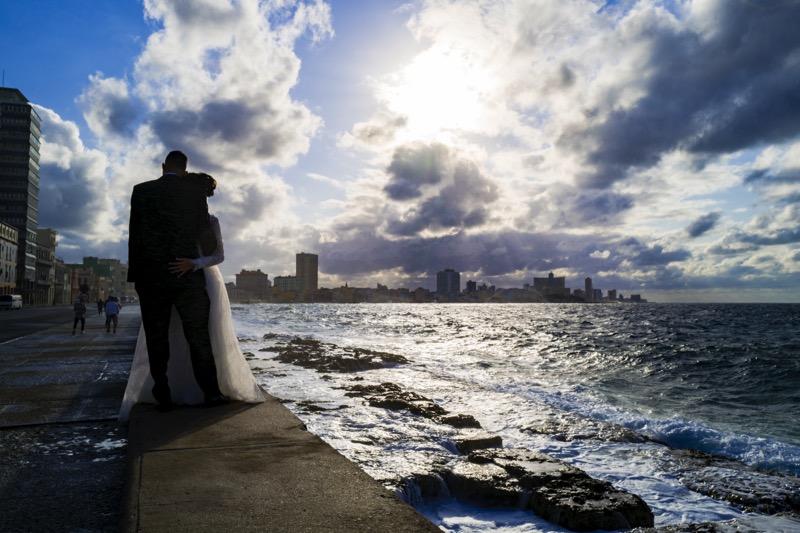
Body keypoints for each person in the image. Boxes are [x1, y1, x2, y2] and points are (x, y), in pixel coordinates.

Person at [119, 171, 263, 423]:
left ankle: (205, 390)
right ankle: (175, 391)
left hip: (199, 279)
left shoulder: (208, 220)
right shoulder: (170, 216)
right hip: (172, 282)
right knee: (172, 338)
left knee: (198, 338)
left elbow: (219, 255)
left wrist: (194, 263)